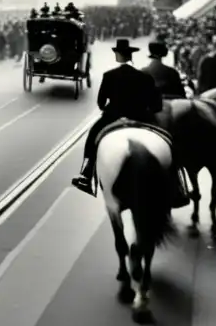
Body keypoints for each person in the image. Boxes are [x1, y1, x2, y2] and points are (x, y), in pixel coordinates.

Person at [71, 39, 189, 207]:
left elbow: (101, 103)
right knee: (169, 141)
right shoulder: (145, 77)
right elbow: (156, 105)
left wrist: (112, 110)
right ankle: (177, 185)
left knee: (93, 136)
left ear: (117, 56)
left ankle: (86, 174)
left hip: (113, 116)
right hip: (141, 117)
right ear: (131, 55)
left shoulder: (109, 75)